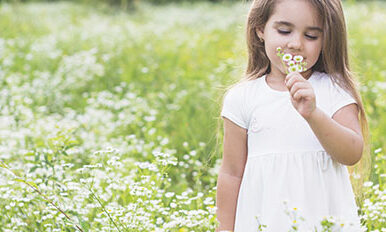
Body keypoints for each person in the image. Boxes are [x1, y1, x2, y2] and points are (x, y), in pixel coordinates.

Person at [215, 0, 370, 231]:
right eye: (284, 31)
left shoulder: (333, 89)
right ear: (260, 30)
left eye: (311, 36)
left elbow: (352, 153)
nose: (296, 44)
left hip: (322, 222)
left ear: (327, 39)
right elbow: (231, 174)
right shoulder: (243, 98)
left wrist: (313, 114)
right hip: (265, 221)